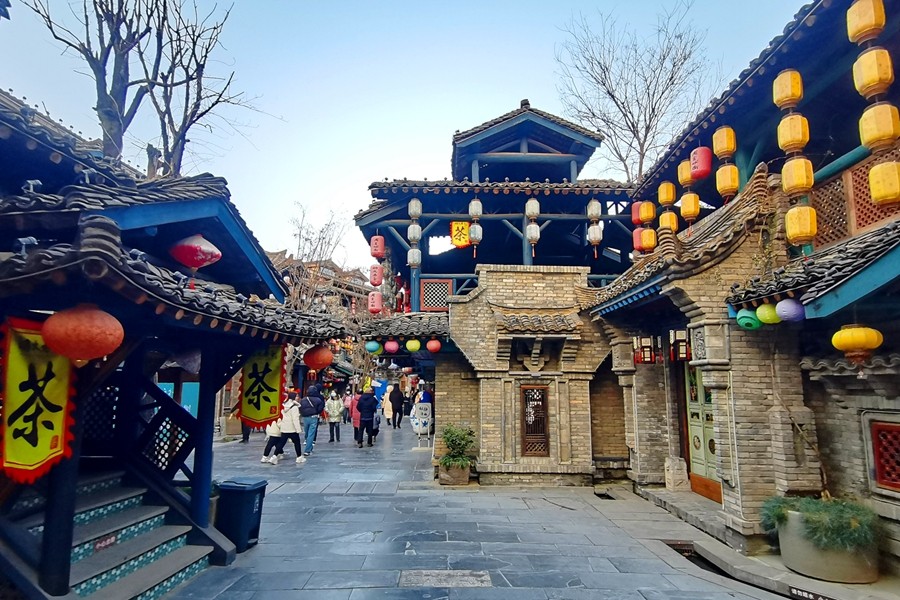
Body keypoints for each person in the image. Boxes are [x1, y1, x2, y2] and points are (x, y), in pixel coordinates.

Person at [276, 392, 306, 463]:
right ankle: (299, 457)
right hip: (292, 428)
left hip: (284, 427)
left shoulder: (283, 405)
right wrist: (298, 429)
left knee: (281, 443)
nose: (298, 397)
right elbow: (295, 419)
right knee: (297, 443)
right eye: (296, 396)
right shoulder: (294, 407)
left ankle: (274, 456)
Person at [299, 385, 325, 456]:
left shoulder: (303, 400)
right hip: (313, 417)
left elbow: (300, 408)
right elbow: (320, 408)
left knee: (307, 432)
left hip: (305, 417)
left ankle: (307, 443)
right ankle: (307, 450)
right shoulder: (318, 400)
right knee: (311, 433)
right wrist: (316, 412)